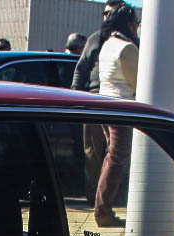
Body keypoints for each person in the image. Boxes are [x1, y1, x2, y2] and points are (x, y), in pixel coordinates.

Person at [93, 3, 139, 227]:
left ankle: (103, 208)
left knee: (110, 158)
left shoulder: (107, 44)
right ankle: (103, 211)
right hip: (122, 108)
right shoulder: (127, 47)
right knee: (117, 159)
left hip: (105, 103)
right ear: (129, 24)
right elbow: (137, 83)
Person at [73, 2, 123, 202]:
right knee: (93, 151)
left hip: (118, 100)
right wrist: (75, 96)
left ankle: (109, 197)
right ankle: (93, 194)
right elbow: (80, 68)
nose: (108, 17)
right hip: (94, 98)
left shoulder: (128, 42)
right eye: (105, 13)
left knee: (116, 152)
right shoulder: (95, 39)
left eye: (112, 13)